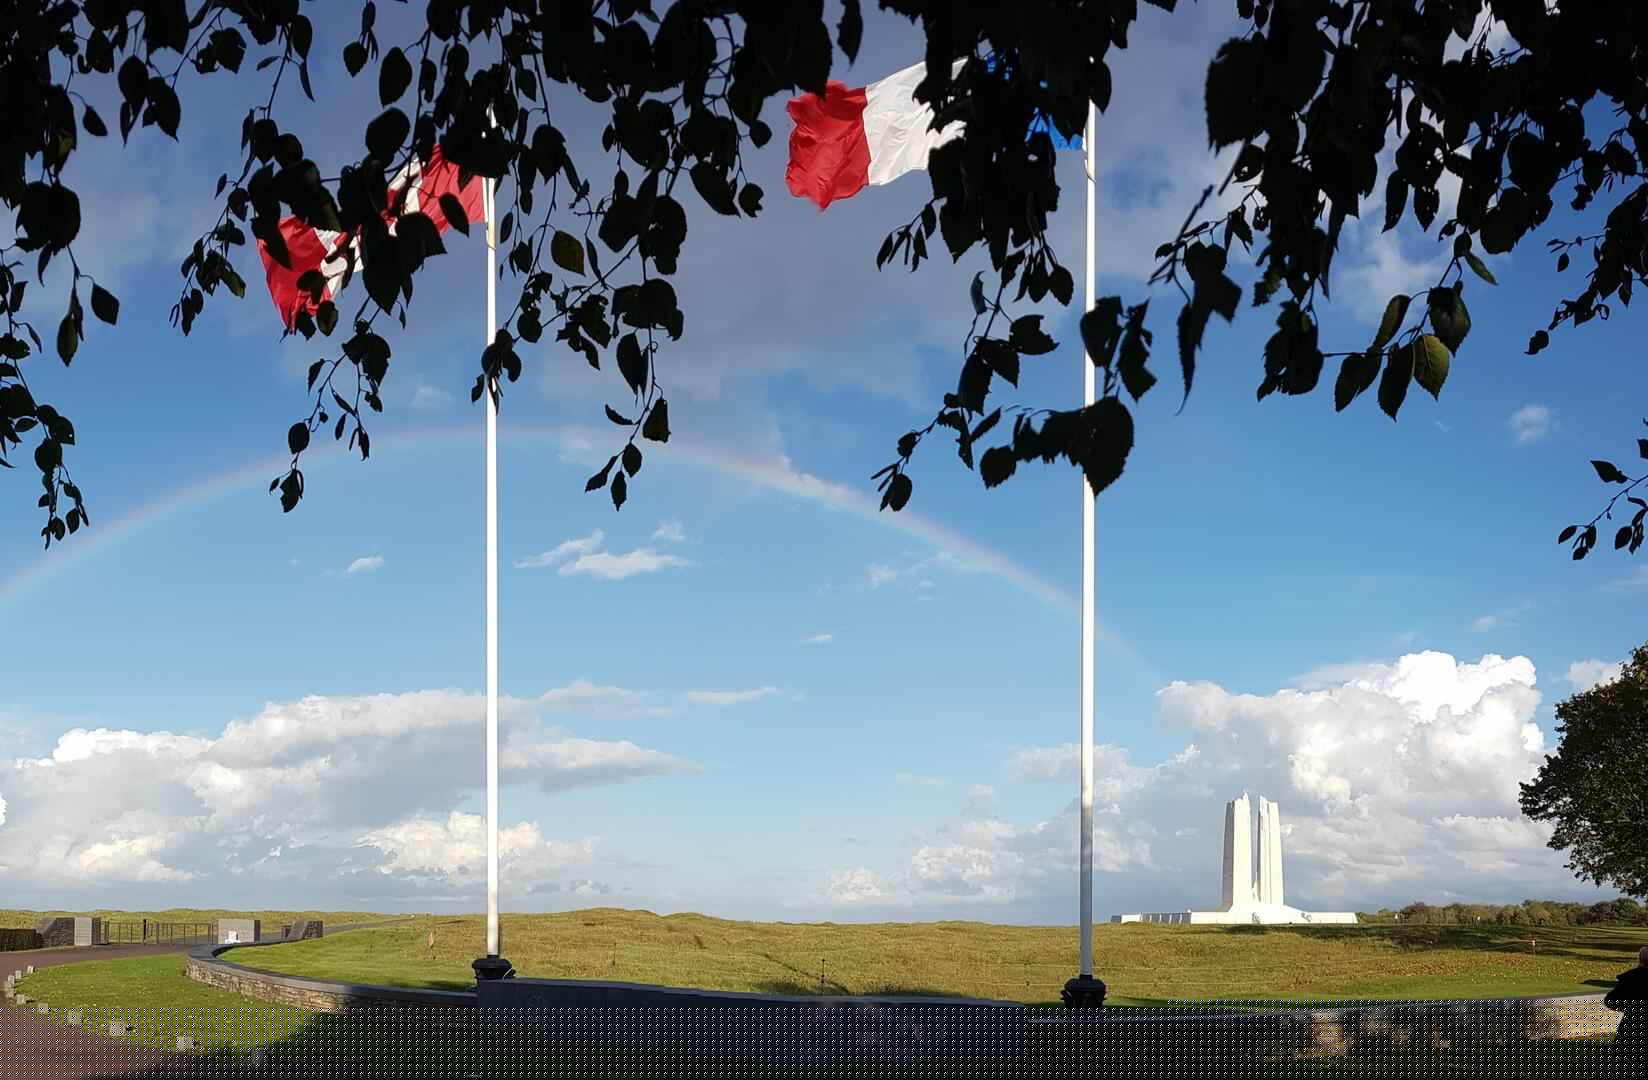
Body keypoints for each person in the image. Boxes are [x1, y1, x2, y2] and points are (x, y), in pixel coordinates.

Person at [1606, 945, 1648, 1080]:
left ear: (1640, 960)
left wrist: (1629, 1006)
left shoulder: (1631, 978)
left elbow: (1611, 1000)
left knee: (1638, 1065)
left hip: (1634, 1025)